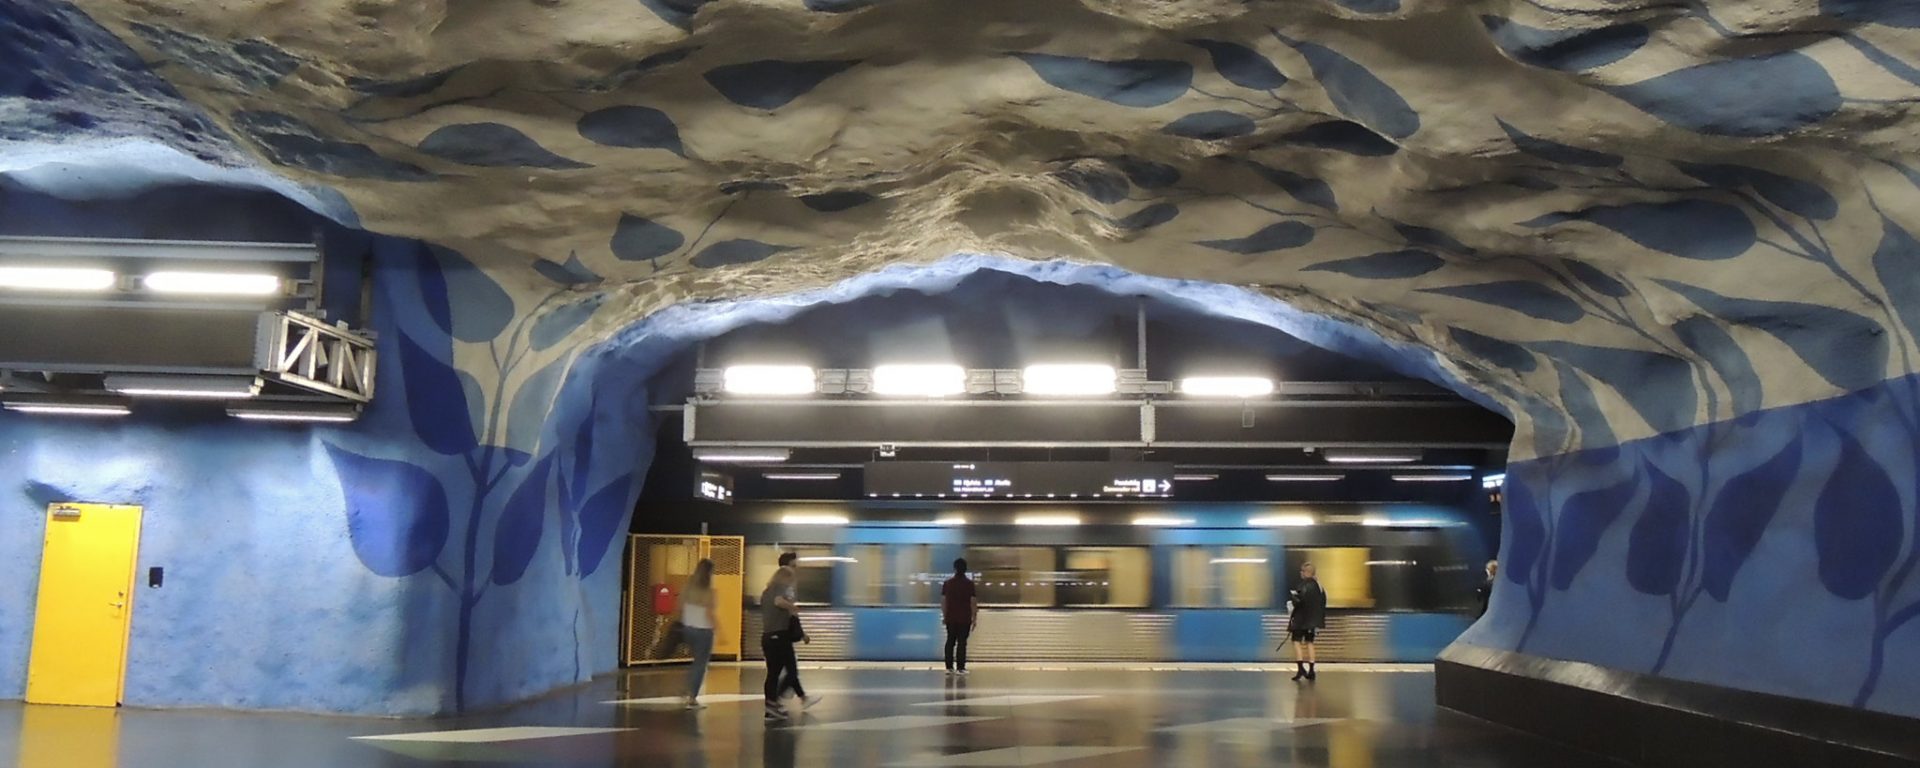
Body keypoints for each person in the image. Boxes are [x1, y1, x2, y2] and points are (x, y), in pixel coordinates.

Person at [680, 559, 718, 709]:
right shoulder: (709, 591)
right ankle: (692, 697)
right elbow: (709, 613)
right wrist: (719, 629)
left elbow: (679, 607)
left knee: (695, 663)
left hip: (688, 629)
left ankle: (687, 688)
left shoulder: (687, 587)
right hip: (703, 630)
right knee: (700, 664)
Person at [1288, 561, 1327, 682]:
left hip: (1301, 620)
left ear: (1306, 573)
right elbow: (1323, 602)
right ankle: (1311, 670)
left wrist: (1293, 598)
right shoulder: (1320, 587)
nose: (1301, 573)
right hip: (1313, 621)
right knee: (1310, 643)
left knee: (1296, 641)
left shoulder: (1303, 585)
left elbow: (1299, 602)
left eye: (1302, 571)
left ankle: (1300, 669)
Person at [941, 558, 978, 675]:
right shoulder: (969, 584)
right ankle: (960, 668)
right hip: (964, 618)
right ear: (965, 569)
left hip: (951, 617)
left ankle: (949, 667)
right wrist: (974, 618)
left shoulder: (948, 583)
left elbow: (944, 601)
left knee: (950, 641)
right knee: (962, 642)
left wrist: (944, 615)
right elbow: (973, 602)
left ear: (954, 568)